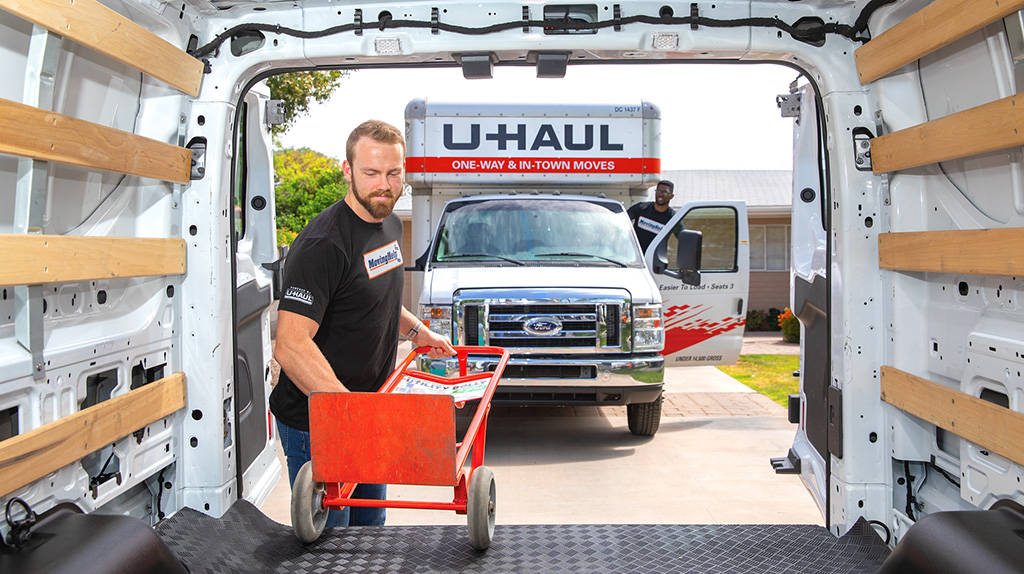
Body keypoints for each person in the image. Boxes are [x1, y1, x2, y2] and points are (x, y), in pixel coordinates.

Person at [270, 120, 455, 527]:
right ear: (347, 170)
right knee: (333, 547)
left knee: (371, 532)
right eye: (371, 173)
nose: (384, 185)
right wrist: (347, 414)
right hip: (318, 423)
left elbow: (375, 298)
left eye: (393, 173)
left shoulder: (387, 221)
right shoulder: (324, 245)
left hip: (368, 411)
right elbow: (290, 345)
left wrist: (417, 332)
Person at [627, 179, 676, 254]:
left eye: (665, 192)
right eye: (658, 191)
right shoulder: (641, 208)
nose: (660, 194)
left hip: (656, 261)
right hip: (636, 258)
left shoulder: (673, 218)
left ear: (671, 196)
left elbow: (684, 238)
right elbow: (621, 222)